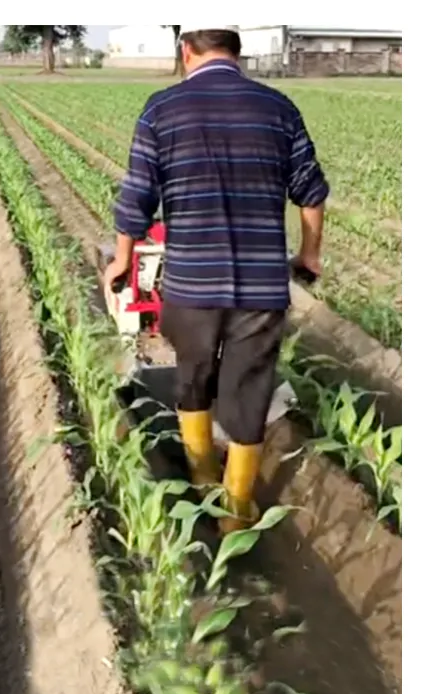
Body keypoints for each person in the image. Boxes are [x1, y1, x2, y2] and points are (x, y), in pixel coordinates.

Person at [104, 25, 329, 534]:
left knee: (193, 375)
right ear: (237, 52)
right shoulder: (279, 108)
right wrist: (309, 254)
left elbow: (136, 198)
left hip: (192, 283)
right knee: (250, 391)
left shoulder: (161, 109)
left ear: (187, 50)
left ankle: (203, 478)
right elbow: (311, 192)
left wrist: (123, 259)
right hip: (261, 286)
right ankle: (237, 507)